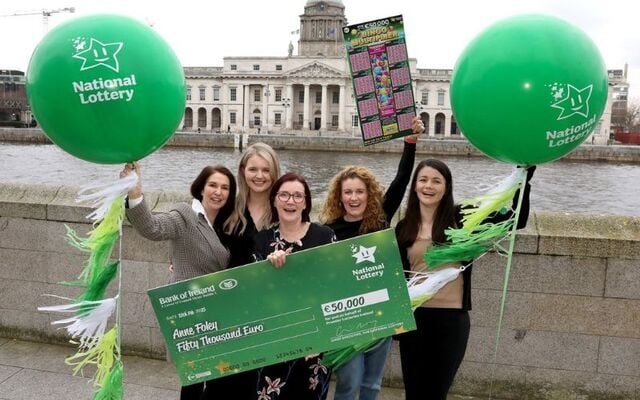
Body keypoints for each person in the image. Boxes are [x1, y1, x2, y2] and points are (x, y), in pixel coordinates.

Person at [394, 160, 534, 400]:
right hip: (415, 320)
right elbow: (397, 278)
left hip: (451, 321)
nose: (429, 186)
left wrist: (524, 178)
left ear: (446, 188)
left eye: (437, 181)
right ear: (415, 186)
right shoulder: (404, 227)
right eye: (423, 180)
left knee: (436, 393)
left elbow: (517, 219)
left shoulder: (463, 219)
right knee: (414, 394)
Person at [319, 117, 424, 400]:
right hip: (346, 315)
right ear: (339, 197)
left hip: (382, 310)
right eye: (348, 193)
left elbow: (401, 180)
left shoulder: (379, 221)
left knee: (372, 385)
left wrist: (410, 143)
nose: (354, 198)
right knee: (349, 383)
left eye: (359, 192)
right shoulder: (329, 230)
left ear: (369, 194)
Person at [120, 162, 237, 399]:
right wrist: (135, 192)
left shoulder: (228, 224)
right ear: (200, 188)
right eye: (212, 185)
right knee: (194, 382)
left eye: (225, 187)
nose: (218, 192)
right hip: (192, 314)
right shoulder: (186, 214)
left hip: (221, 314)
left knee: (218, 382)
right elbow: (152, 228)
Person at [254, 172, 336, 400]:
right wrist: (268, 271)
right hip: (274, 339)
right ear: (274, 200)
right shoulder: (261, 240)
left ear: (306, 202)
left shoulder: (324, 236)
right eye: (284, 195)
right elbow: (255, 295)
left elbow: (333, 287)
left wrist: (321, 337)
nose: (291, 201)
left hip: (315, 341)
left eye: (298, 196)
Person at [225, 142, 282, 268]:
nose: (259, 176)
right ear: (242, 171)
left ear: (275, 172)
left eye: (266, 170)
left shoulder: (285, 210)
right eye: (253, 169)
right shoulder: (227, 209)